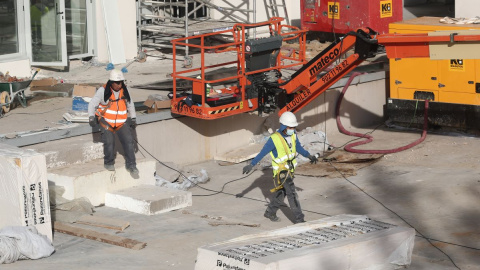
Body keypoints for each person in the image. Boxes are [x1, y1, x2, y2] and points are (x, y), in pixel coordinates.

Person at [242, 112, 318, 224]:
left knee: (281, 193)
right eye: (290, 127)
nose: (292, 129)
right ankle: (299, 219)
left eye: (293, 127)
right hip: (281, 172)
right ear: (283, 126)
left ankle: (270, 211)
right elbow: (262, 153)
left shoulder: (293, 135)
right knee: (292, 194)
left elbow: (298, 147)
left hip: (290, 169)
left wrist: (309, 156)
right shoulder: (274, 139)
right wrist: (252, 164)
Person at [88, 69, 139, 177]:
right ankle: (108, 162)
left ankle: (131, 165)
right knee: (109, 142)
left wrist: (133, 118)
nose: (119, 85)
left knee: (129, 142)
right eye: (117, 82)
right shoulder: (103, 90)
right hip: (107, 121)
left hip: (121, 122)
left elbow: (130, 104)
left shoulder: (124, 91)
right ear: (111, 82)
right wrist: (91, 117)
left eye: (121, 82)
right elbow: (92, 104)